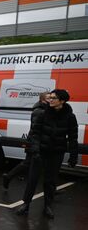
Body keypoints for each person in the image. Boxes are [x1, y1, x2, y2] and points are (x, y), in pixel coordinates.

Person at [16, 89, 78, 218]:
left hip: (56, 153)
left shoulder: (70, 117)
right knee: (32, 179)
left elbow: (73, 138)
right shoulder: (43, 114)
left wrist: (73, 156)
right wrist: (36, 150)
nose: (50, 100)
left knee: (51, 181)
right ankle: (26, 204)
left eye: (53, 98)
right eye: (50, 97)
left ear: (62, 101)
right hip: (40, 152)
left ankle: (47, 207)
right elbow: (35, 134)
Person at [2, 92, 50, 189]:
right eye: (49, 98)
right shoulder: (39, 111)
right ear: (43, 100)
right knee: (28, 163)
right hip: (35, 141)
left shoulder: (46, 110)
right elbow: (35, 129)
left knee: (38, 165)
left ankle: (51, 188)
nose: (51, 99)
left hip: (39, 141)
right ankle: (8, 177)